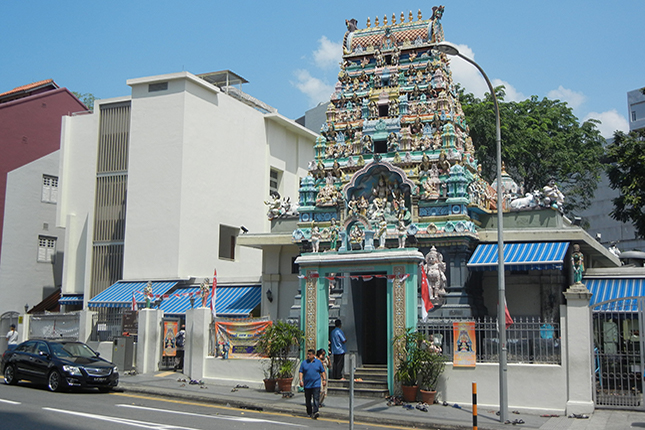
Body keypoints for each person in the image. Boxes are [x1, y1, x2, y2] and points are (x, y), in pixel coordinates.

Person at [299, 349, 326, 419]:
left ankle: (315, 411)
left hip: (316, 384)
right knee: (308, 400)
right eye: (308, 354)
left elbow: (322, 371)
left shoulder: (318, 362)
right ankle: (309, 412)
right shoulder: (304, 363)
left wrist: (324, 380)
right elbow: (301, 372)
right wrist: (300, 380)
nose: (308, 355)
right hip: (307, 384)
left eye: (310, 354)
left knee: (316, 398)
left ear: (313, 355)